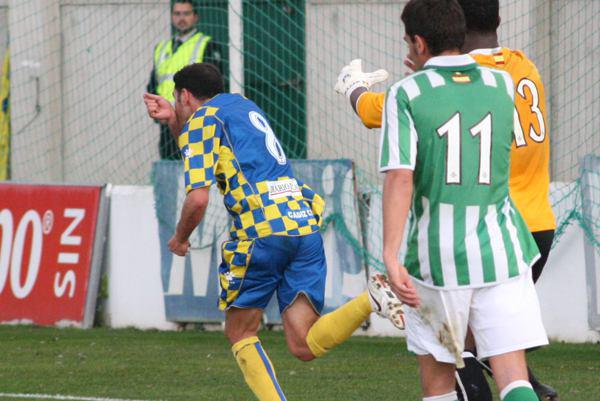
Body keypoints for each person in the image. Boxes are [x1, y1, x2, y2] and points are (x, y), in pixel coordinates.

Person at [334, 0, 557, 399]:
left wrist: (389, 253)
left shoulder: (409, 92)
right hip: (507, 244)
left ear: (418, 43)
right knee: (514, 375)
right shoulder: (508, 80)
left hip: (440, 256)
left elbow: (400, 176)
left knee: (441, 378)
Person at [143, 62, 404, 401]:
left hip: (261, 231)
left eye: (177, 101)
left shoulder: (202, 121)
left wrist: (179, 238)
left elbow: (197, 199)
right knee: (303, 342)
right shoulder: (243, 106)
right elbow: (204, 146)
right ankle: (370, 299)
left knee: (240, 332)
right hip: (301, 222)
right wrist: (175, 120)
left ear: (186, 96)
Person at [147, 0, 223, 160]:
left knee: (196, 167)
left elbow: (214, 87)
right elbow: (154, 84)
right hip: (167, 122)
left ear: (195, 17)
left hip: (195, 122)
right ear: (171, 17)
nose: (181, 18)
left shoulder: (206, 44)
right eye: (177, 14)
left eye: (186, 13)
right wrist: (158, 110)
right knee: (170, 168)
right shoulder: (161, 47)